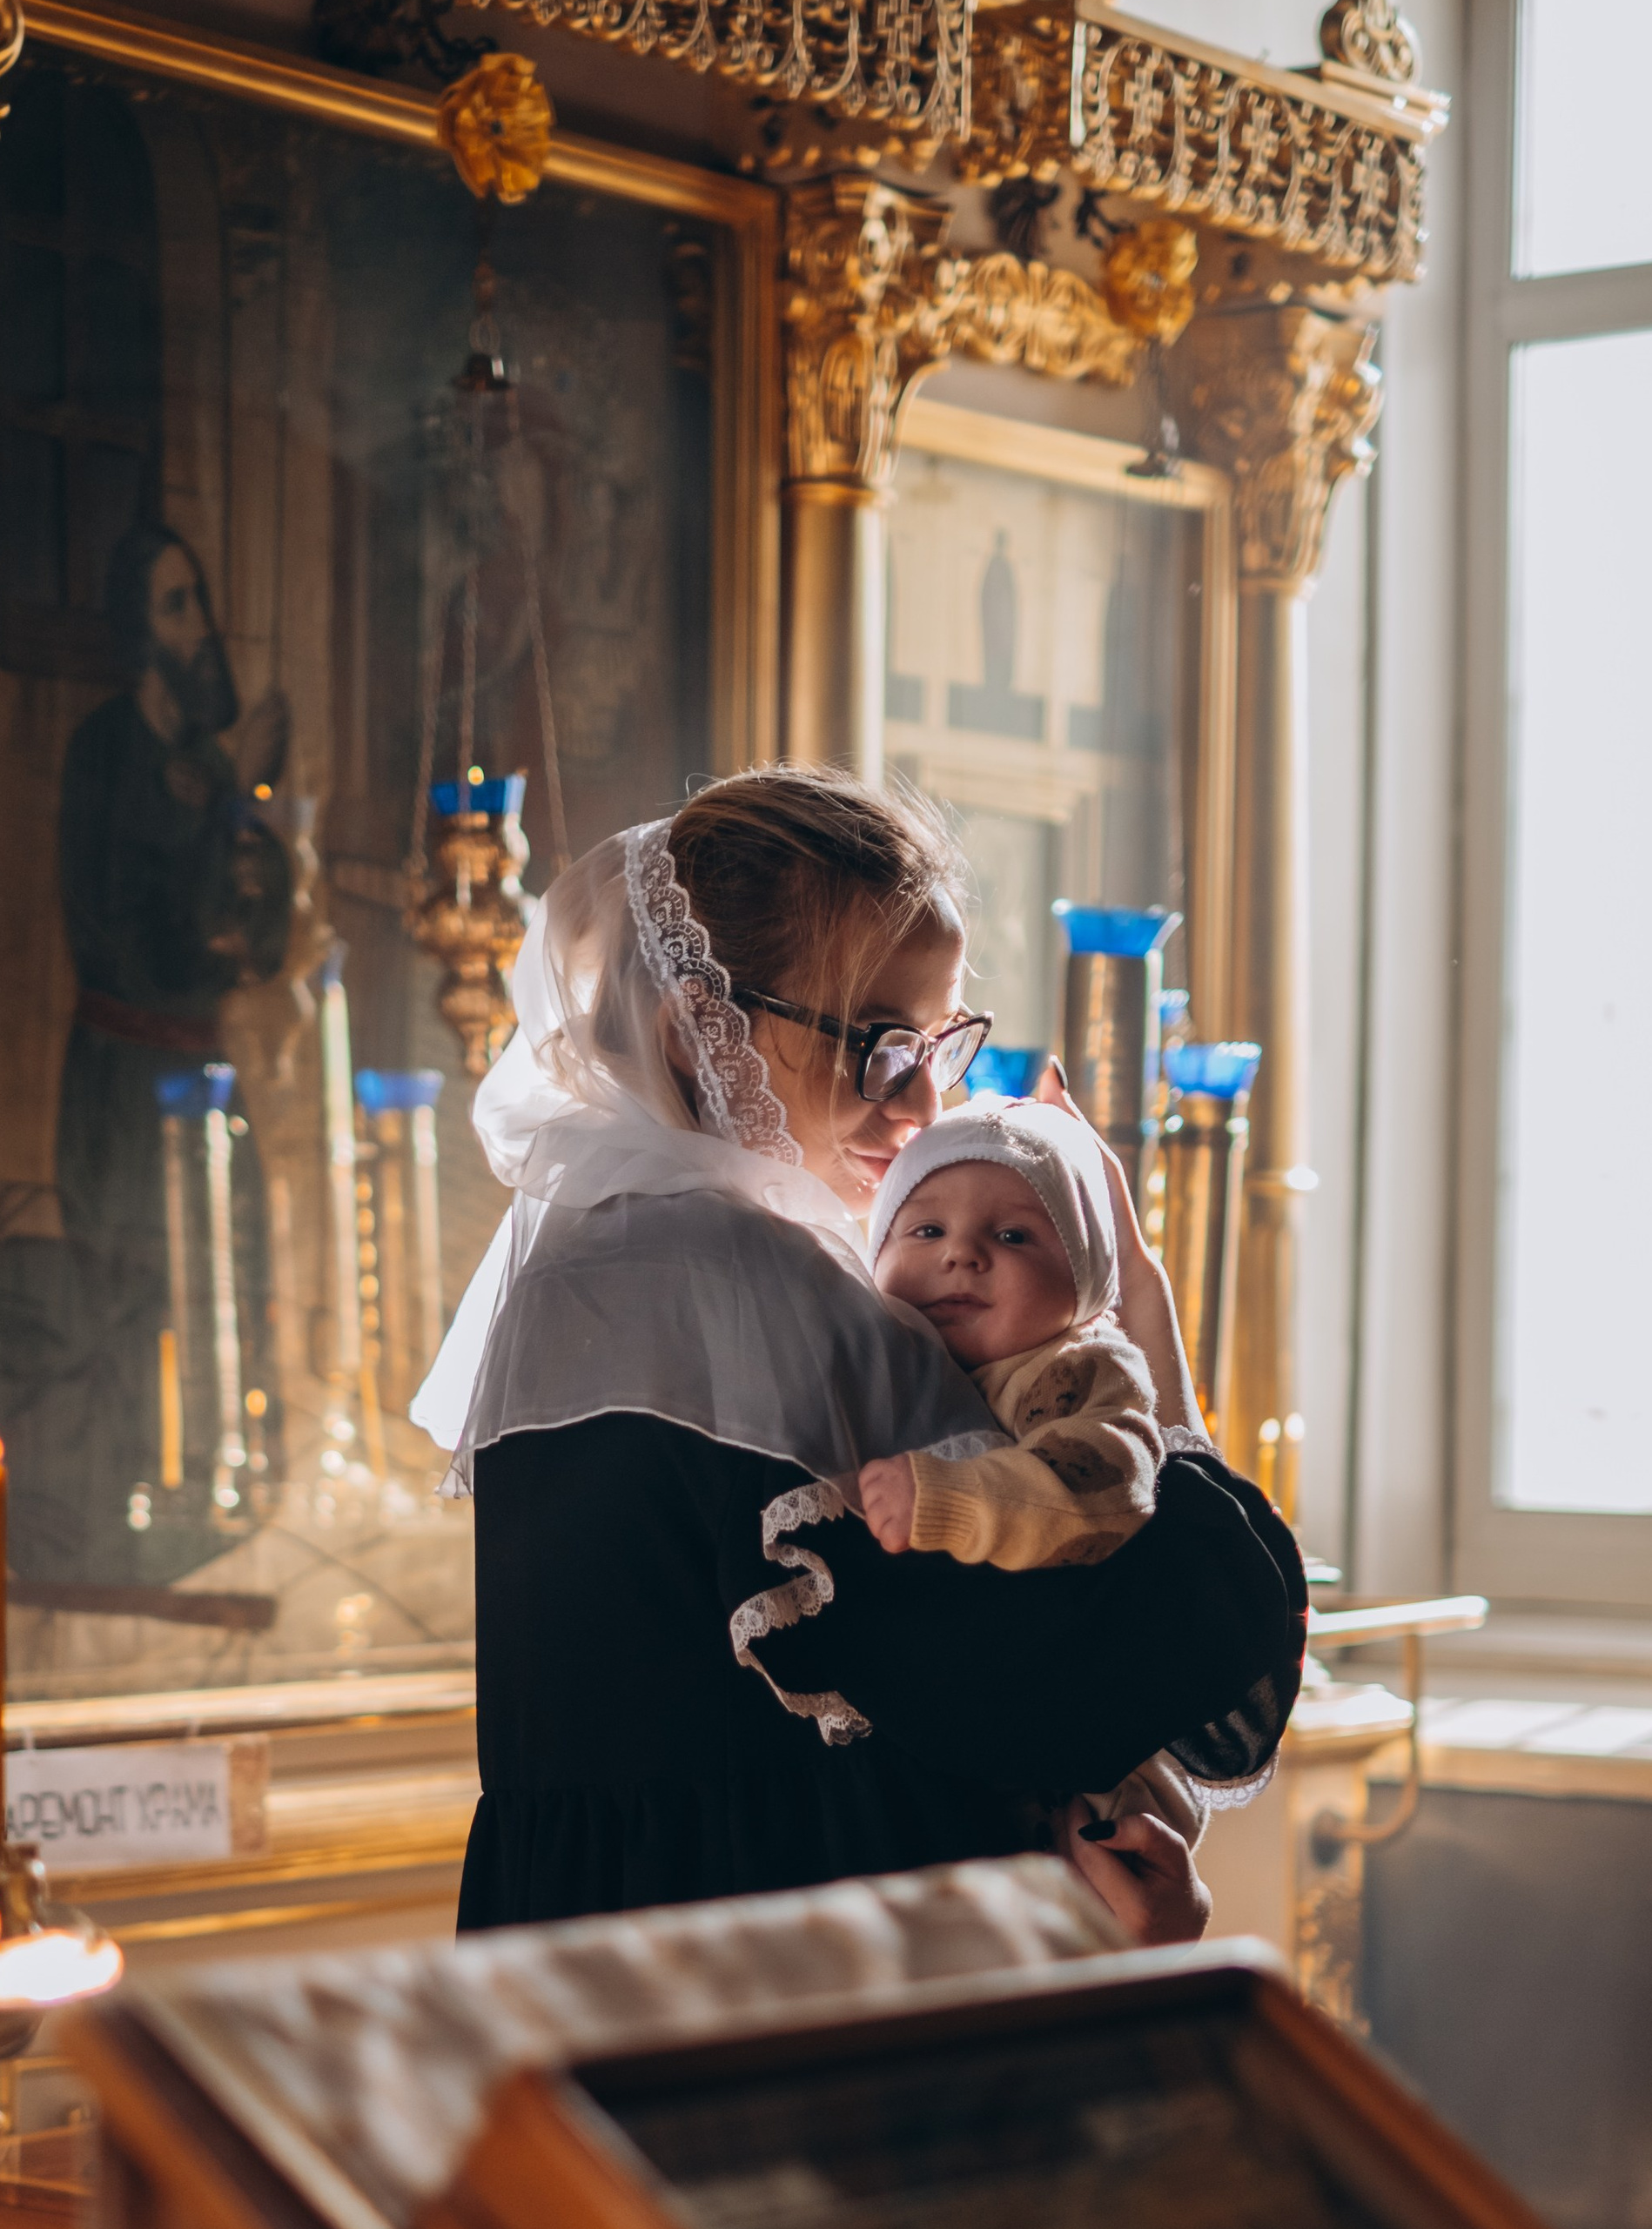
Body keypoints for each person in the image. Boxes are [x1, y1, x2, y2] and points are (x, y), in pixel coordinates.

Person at [414, 767, 1305, 1943]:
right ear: (699, 1029)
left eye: (941, 1043)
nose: (924, 1103)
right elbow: (1128, 1662)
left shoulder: (580, 1266)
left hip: (593, 1958)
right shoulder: (760, 1288)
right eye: (880, 1045)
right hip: (788, 1975)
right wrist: (1144, 1329)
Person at [32, 526, 289, 1576]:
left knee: (231, 1281)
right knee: (136, 1300)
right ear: (137, 625)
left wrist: (247, 831)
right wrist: (229, 801)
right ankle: (122, 1526)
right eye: (175, 605)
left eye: (198, 601)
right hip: (123, 1080)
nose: (198, 627)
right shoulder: (106, 749)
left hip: (201, 1074)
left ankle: (218, 1510)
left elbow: (253, 932)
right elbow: (130, 931)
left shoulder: (203, 759)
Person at [858, 1102, 1160, 1573]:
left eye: (1012, 1237)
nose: (961, 1253)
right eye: (929, 1230)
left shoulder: (1082, 1365)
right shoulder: (879, 1354)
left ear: (1085, 1278)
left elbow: (1105, 1488)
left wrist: (953, 1499)